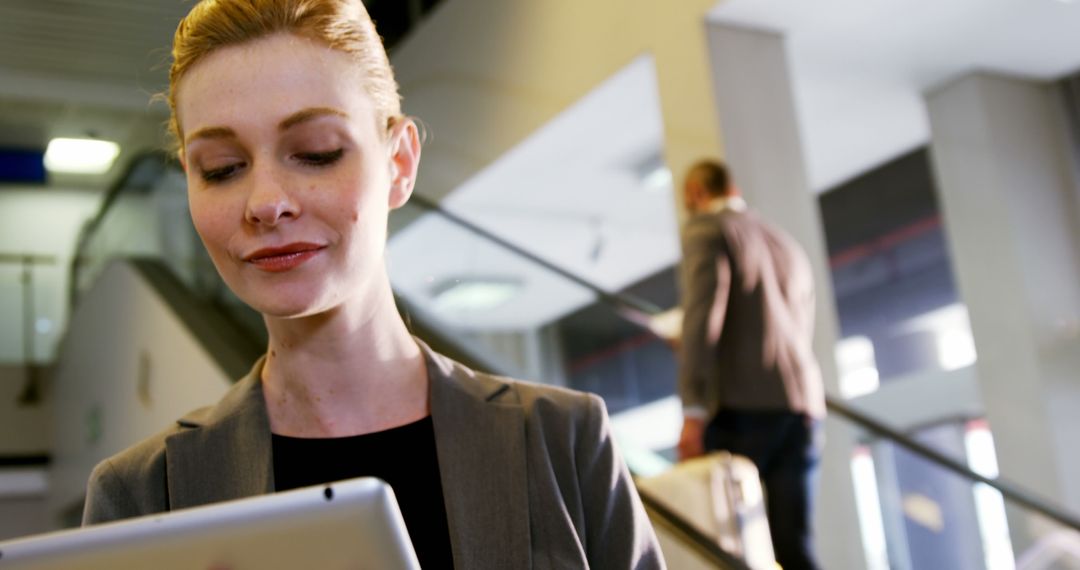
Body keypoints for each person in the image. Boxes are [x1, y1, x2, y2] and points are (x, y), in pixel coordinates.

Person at [81, 1, 664, 568]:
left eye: (316, 153)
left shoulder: (563, 443)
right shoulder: (142, 494)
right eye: (222, 169)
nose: (266, 203)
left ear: (400, 162)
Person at [676, 159, 825, 570]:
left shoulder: (707, 230)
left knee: (730, 545)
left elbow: (703, 318)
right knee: (793, 547)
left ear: (695, 194)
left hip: (744, 411)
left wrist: (692, 409)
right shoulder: (784, 242)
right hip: (803, 408)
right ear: (734, 188)